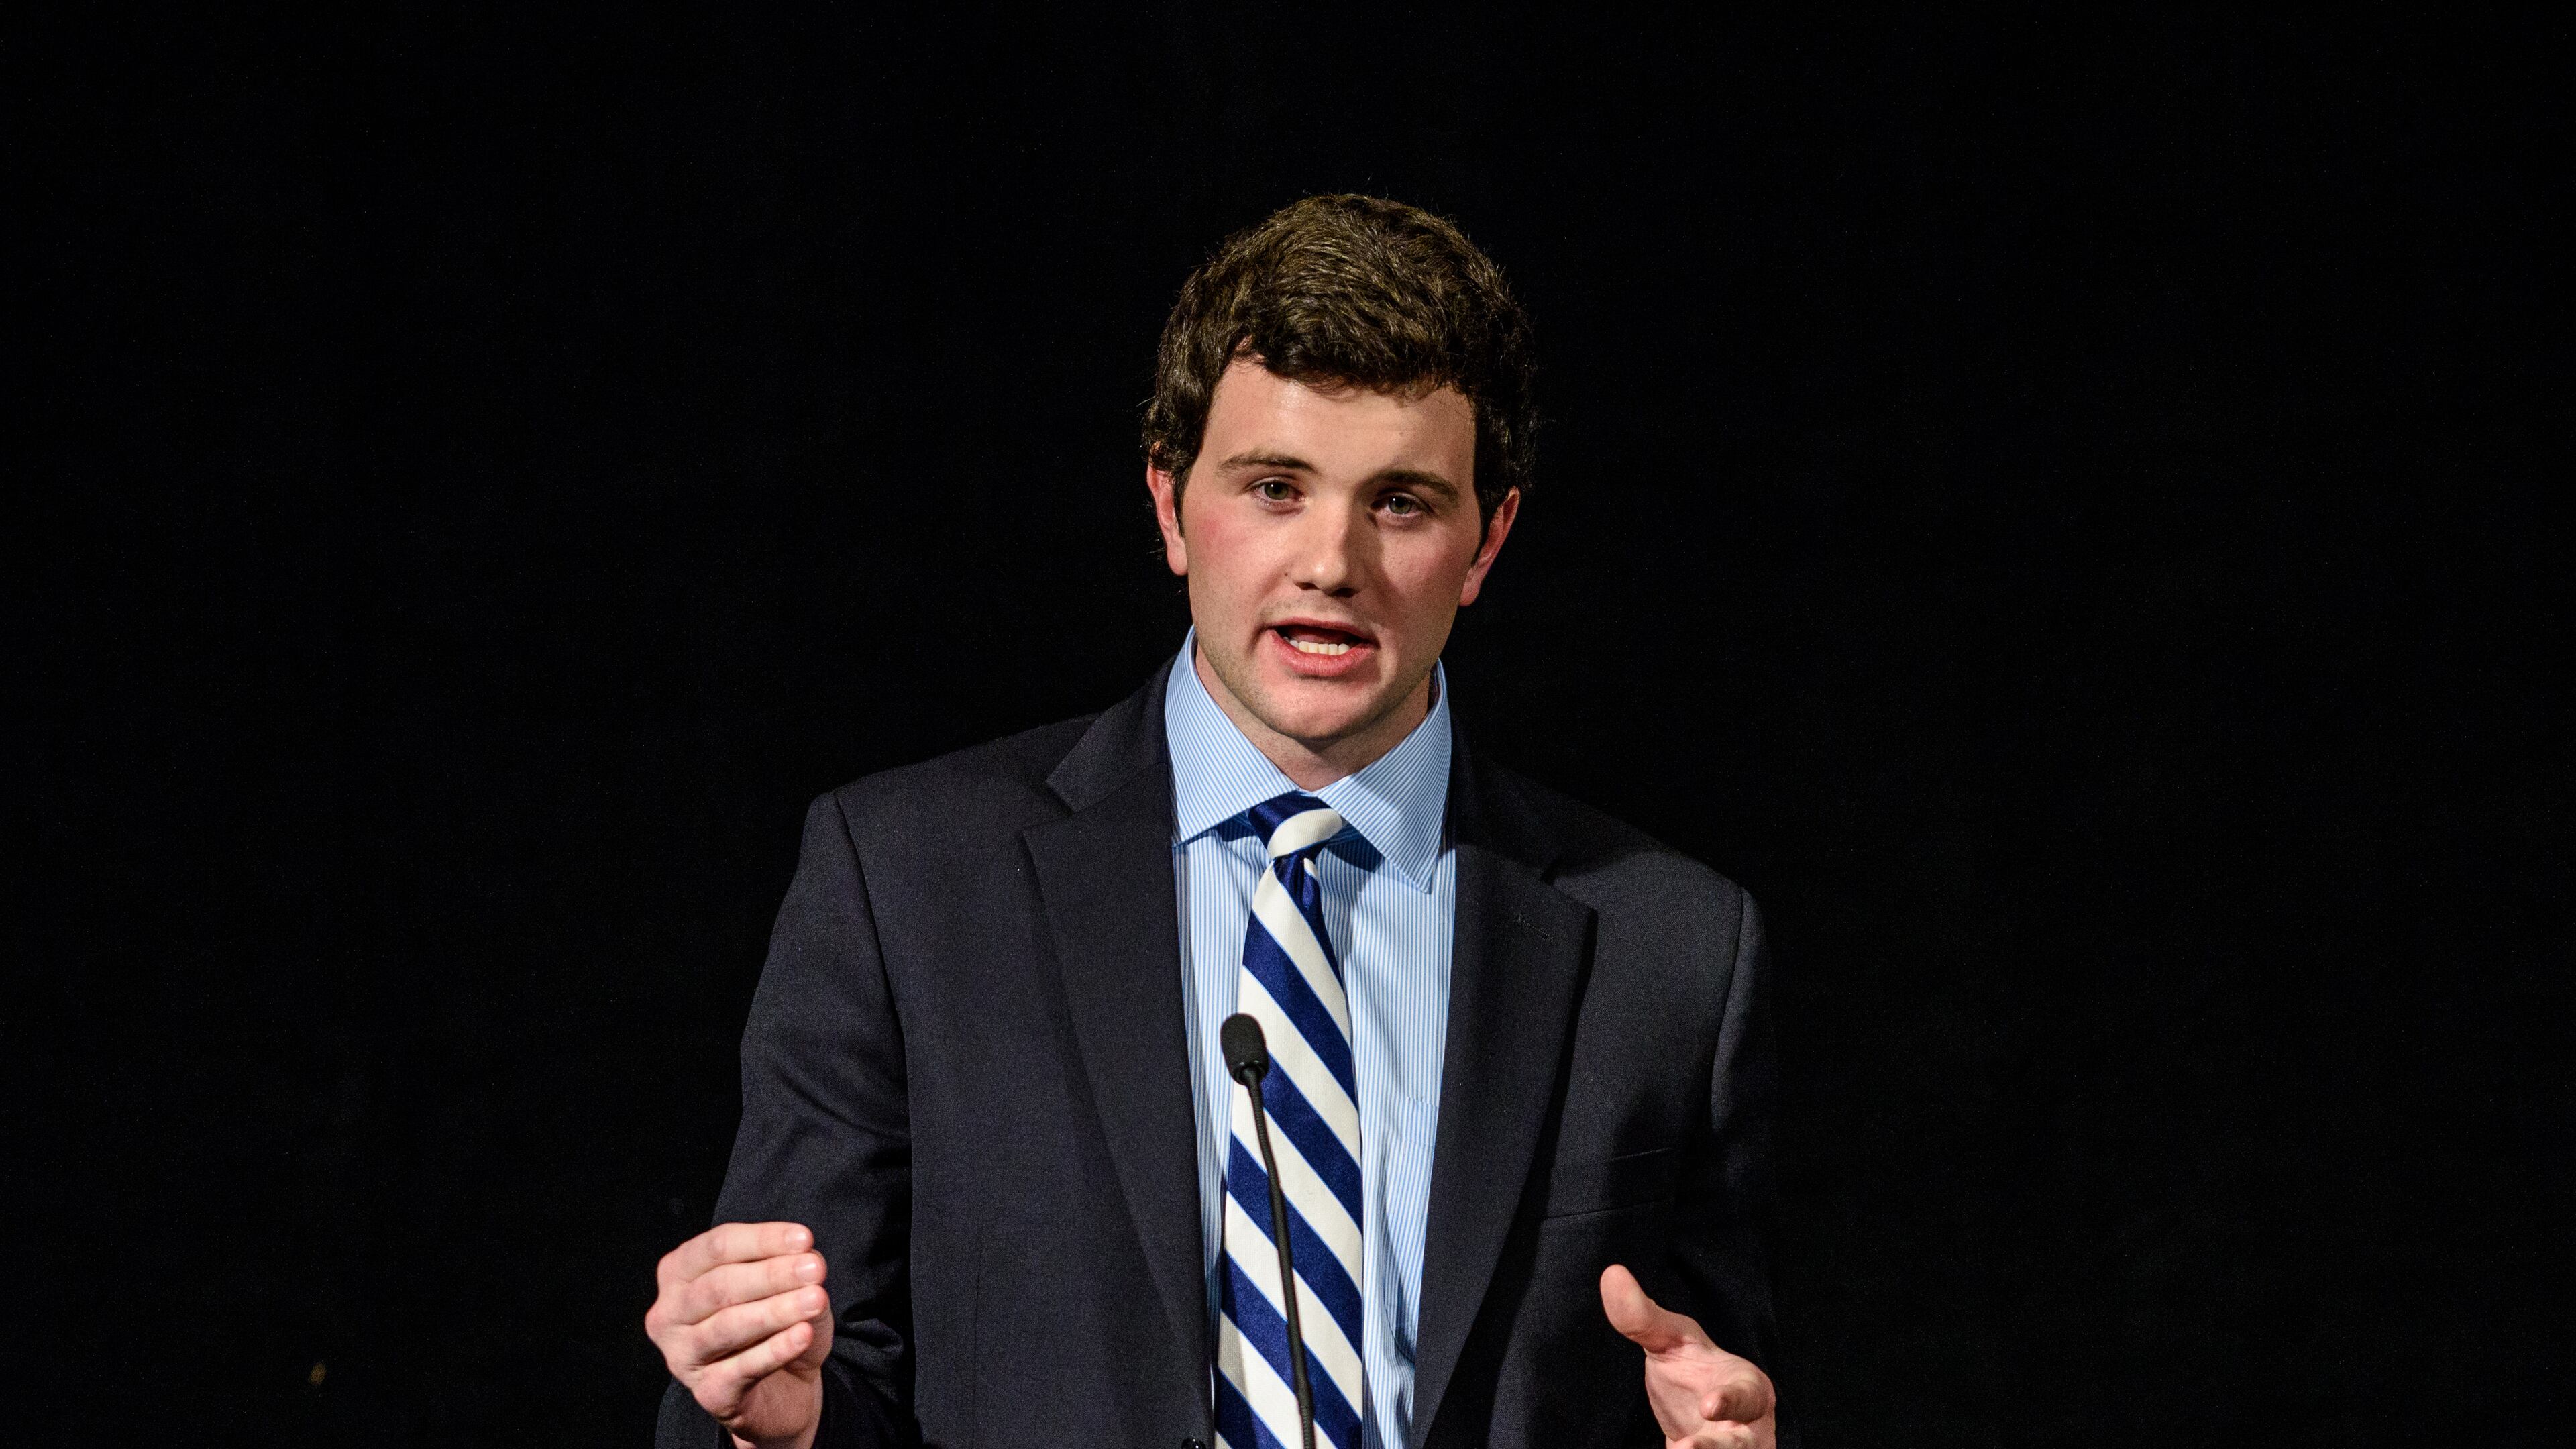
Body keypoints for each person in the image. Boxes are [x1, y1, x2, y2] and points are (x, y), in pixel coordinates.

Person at [645, 195, 1789, 1449]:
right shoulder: (910, 884)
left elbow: (1715, 1380)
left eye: (1402, 502)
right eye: (1275, 488)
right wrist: (774, 1424)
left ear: (1488, 540)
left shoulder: (1670, 947)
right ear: (1169, 505)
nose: (1332, 562)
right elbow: (808, 1377)